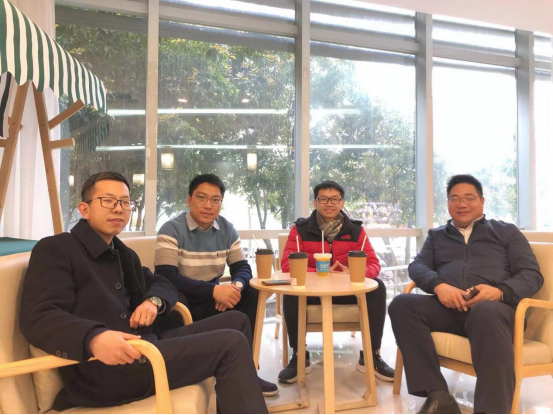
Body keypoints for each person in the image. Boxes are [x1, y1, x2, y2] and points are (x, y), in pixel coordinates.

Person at [19, 172, 268, 414]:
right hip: (109, 367)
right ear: (84, 209)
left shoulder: (122, 252)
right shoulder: (56, 248)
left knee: (237, 321)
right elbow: (38, 316)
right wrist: (93, 338)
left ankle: (240, 394)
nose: (118, 209)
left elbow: (161, 282)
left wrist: (153, 301)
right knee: (231, 344)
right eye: (108, 201)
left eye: (125, 202)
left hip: (147, 347)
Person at [389, 174, 544, 415]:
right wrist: (439, 285)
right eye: (455, 199)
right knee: (402, 304)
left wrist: (500, 292)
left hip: (497, 313)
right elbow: (417, 266)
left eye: (469, 198)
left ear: (482, 201)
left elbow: (531, 274)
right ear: (448, 203)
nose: (462, 204)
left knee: (485, 310)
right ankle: (439, 396)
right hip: (451, 310)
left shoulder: (506, 232)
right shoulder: (437, 235)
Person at [155, 173, 278, 397]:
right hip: (184, 300)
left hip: (214, 299)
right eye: (201, 197)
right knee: (175, 298)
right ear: (189, 199)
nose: (208, 205)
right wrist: (213, 291)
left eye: (215, 200)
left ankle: (248, 371)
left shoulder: (227, 229)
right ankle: (182, 370)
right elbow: (166, 275)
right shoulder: (171, 229)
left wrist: (234, 288)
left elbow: (242, 268)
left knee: (251, 290)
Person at [278, 180, 395, 385]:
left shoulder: (357, 231)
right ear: (315, 203)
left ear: (342, 202)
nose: (329, 204)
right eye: (324, 199)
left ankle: (371, 355)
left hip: (347, 292)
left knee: (378, 288)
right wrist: (319, 271)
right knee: (292, 292)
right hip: (311, 292)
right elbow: (288, 265)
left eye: (334, 199)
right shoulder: (300, 230)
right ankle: (299, 355)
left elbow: (373, 264)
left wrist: (353, 273)